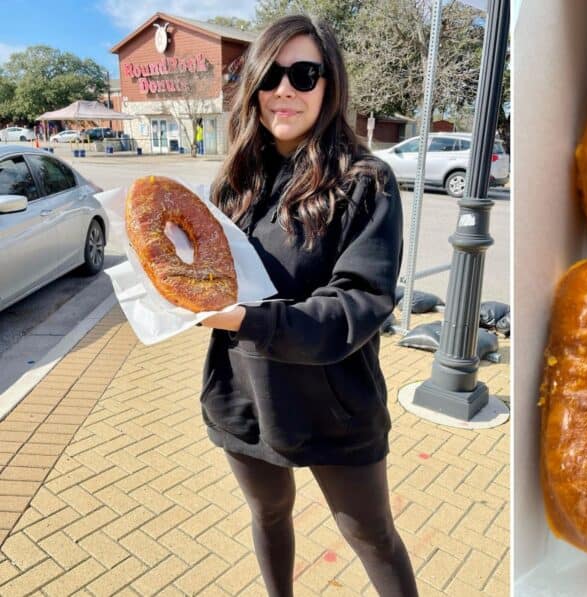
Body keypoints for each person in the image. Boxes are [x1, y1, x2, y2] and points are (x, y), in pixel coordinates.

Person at [200, 14, 416, 597]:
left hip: (334, 402)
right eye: (270, 75)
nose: (284, 89)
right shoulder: (235, 183)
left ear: (330, 83)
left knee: (372, 536)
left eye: (304, 73)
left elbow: (359, 303)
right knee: (268, 515)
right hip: (245, 395)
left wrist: (250, 320)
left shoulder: (365, 180)